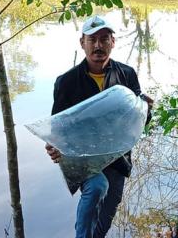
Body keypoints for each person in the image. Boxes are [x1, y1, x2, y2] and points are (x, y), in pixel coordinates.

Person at [45, 14, 153, 238]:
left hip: (117, 159)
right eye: (92, 39)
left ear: (113, 42)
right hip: (83, 158)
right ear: (82, 43)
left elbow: (138, 124)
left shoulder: (127, 74)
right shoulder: (66, 82)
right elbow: (57, 128)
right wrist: (54, 146)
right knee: (96, 188)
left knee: (104, 221)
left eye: (104, 39)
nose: (98, 46)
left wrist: (147, 110)